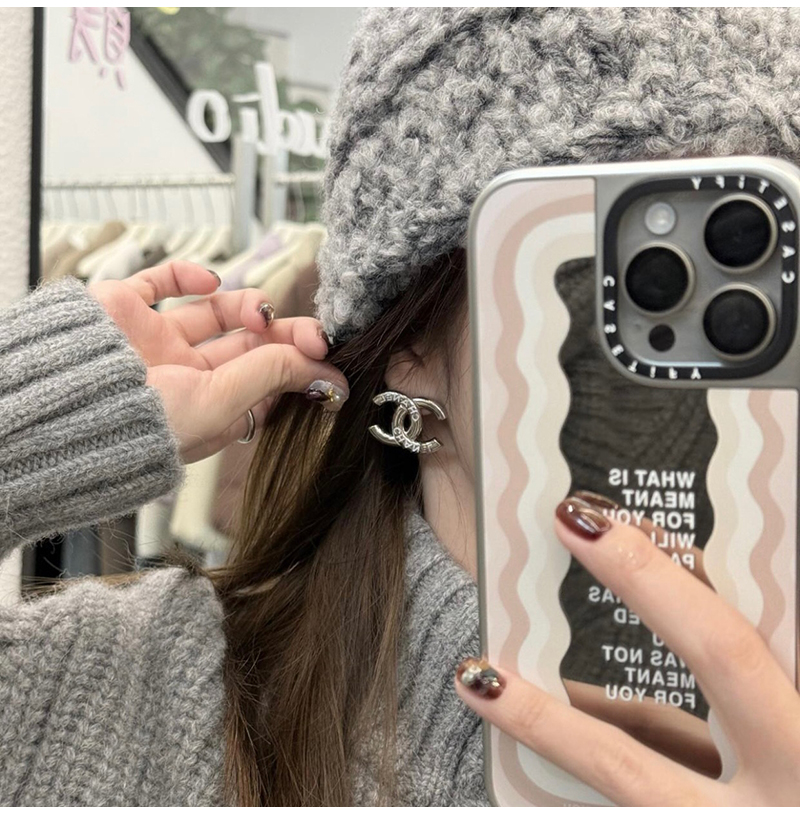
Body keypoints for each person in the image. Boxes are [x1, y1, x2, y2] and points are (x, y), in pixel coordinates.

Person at [1, 7, 799, 807]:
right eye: (637, 279)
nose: (710, 361)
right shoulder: (122, 698)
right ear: (410, 338)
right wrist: (41, 409)